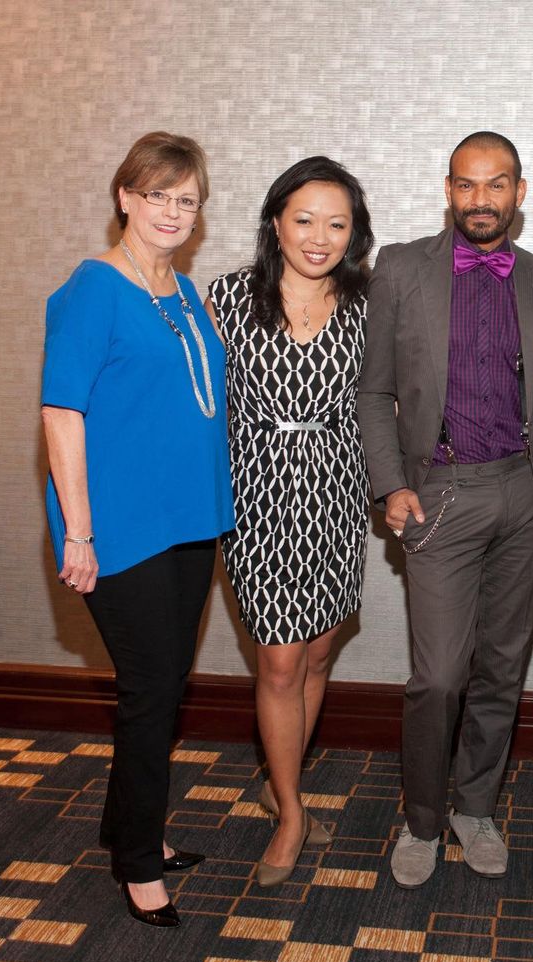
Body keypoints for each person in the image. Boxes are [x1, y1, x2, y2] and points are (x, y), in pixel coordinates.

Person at [357, 132, 533, 888]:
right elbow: (374, 390)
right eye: (468, 185)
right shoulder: (403, 269)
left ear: (520, 190)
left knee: (502, 666)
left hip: (524, 491)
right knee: (439, 675)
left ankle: (475, 805)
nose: (482, 199)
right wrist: (388, 483)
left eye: (497, 184)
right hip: (438, 494)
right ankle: (420, 815)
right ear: (448, 189)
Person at [41, 132, 234, 927]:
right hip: (121, 529)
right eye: (157, 194)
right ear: (124, 196)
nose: (171, 212)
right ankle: (137, 863)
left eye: (186, 200)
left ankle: (129, 826)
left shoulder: (182, 290)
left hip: (189, 521)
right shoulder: (93, 289)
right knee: (152, 693)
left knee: (161, 684)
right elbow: (62, 412)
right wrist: (78, 532)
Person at [206, 157, 373, 887]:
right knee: (278, 658)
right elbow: (191, 402)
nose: (319, 236)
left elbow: (394, 396)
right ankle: (293, 812)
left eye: (337, 223)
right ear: (276, 221)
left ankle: (282, 780)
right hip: (256, 495)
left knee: (317, 656)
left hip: (339, 492)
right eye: (304, 218)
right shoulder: (225, 297)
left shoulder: (371, 302)